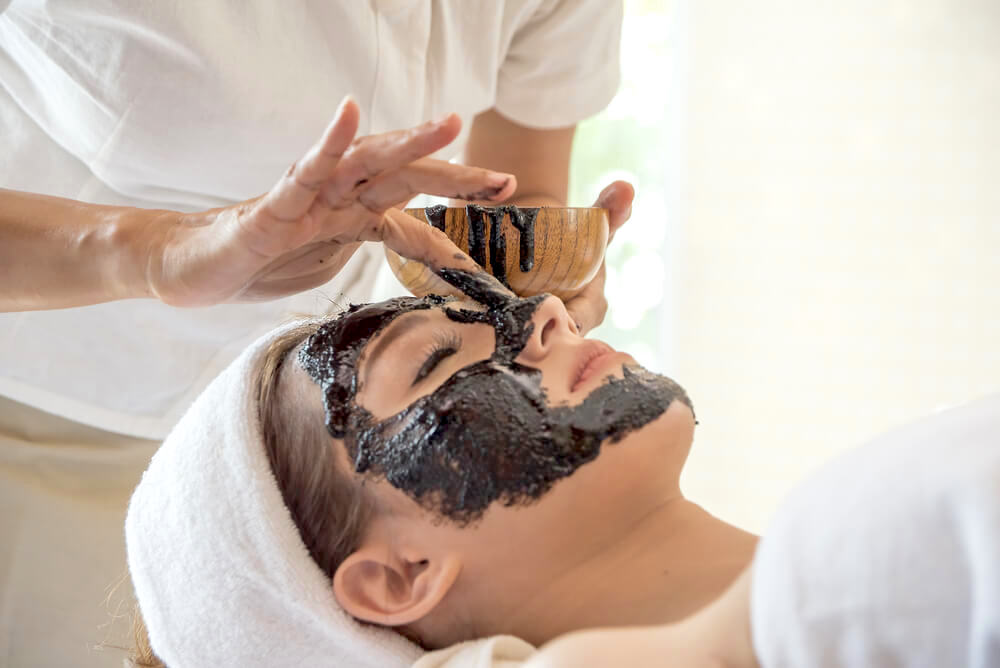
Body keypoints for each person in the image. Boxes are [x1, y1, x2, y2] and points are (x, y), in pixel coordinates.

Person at [0, 1, 629, 665]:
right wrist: (158, 252)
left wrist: (543, 260)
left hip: (296, 465)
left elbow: (515, 189)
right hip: (40, 397)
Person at [125, 266, 1000, 667]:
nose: (544, 311)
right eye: (433, 364)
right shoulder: (850, 562)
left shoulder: (846, 563)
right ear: (400, 577)